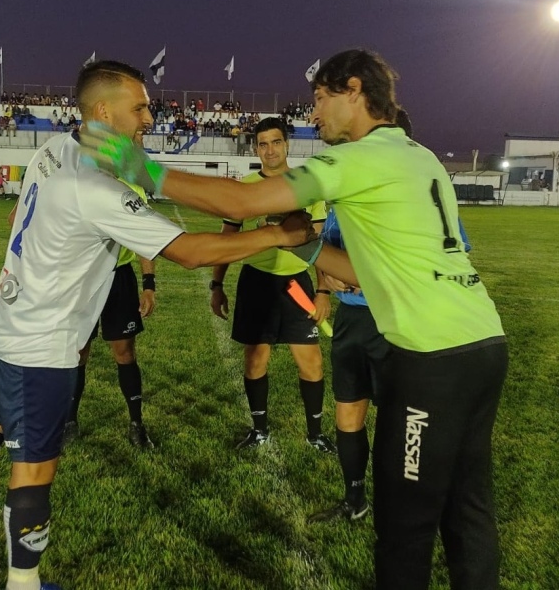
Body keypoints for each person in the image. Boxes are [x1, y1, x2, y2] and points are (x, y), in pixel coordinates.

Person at [81, 48, 509, 590]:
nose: (314, 115)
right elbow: (365, 272)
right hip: (482, 344)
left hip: (432, 362)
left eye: (320, 99)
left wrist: (136, 166)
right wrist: (300, 247)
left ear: (354, 90)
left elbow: (242, 200)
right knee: (469, 509)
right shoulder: (419, 157)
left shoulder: (358, 158)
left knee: (405, 525)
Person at [0, 60, 314, 590]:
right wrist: (277, 237)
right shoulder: (94, 187)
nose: (151, 116)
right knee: (35, 467)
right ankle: (22, 582)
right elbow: (192, 252)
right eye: (140, 107)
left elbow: (21, 217)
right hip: (42, 342)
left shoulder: (54, 148)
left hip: (10, 320)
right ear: (104, 112)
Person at [309, 108, 474, 523]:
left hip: (398, 323)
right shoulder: (346, 194)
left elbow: (452, 253)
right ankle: (355, 500)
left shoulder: (416, 189)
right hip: (352, 321)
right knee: (348, 412)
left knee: (401, 422)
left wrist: (385, 278)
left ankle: (404, 505)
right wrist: (329, 283)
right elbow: (328, 249)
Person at [210, 117, 334, 453]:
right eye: (263, 144)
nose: (270, 150)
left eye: (276, 142)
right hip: (257, 284)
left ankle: (315, 433)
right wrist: (216, 285)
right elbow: (226, 240)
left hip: (297, 285)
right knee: (255, 360)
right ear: (255, 148)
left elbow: (321, 245)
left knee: (311, 362)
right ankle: (259, 430)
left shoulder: (308, 186)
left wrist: (323, 291)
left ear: (287, 144)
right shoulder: (246, 188)